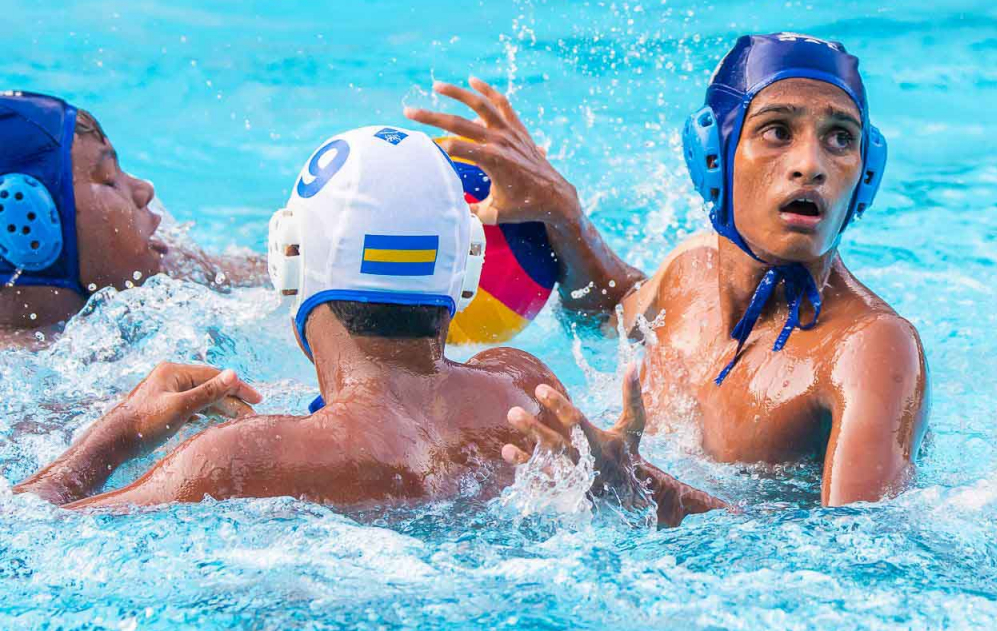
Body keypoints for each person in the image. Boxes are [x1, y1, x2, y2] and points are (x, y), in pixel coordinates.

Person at [14, 126, 724, 527]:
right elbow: (727, 522)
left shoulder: (241, 458)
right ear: (466, 270)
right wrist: (628, 485)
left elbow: (28, 535)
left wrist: (118, 433)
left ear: (287, 260)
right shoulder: (526, 395)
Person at [405, 35, 930, 506]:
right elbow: (607, 312)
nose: (810, 164)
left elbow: (860, 551)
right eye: (777, 131)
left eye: (840, 138)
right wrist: (563, 214)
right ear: (714, 154)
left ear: (866, 174)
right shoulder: (691, 271)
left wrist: (639, 487)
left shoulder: (869, 349)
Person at [0, 91, 263, 348]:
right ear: (25, 222)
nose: (144, 190)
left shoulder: (171, 277)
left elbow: (265, 273)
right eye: (108, 178)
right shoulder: (17, 368)